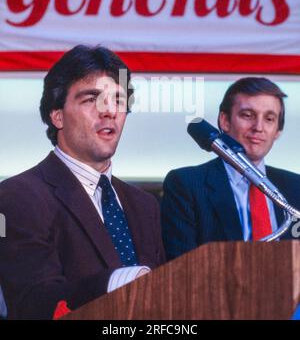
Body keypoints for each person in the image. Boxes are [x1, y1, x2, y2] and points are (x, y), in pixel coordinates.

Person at [0, 45, 165, 320]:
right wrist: (120, 282)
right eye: (92, 99)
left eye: (118, 100)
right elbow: (34, 304)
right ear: (57, 115)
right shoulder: (17, 197)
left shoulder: (145, 205)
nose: (109, 111)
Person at [161, 77, 300, 261]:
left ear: (278, 131)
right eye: (248, 115)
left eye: (269, 118)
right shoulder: (186, 184)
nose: (258, 127)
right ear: (225, 121)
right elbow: (181, 266)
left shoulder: (295, 187)